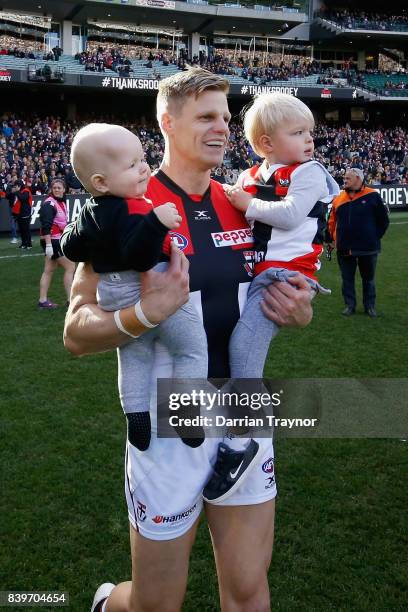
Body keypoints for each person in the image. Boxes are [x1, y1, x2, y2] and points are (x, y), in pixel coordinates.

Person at [63, 68, 313, 612]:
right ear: (166, 122)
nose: (221, 127)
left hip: (246, 412)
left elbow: (283, 289)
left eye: (225, 116)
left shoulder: (246, 201)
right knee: (157, 603)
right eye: (205, 116)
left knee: (248, 591)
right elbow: (76, 332)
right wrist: (143, 313)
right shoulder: (129, 206)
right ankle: (111, 604)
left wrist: (297, 309)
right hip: (169, 418)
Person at [203, 92, 339, 503]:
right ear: (265, 144)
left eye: (310, 131)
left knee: (244, 350)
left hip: (284, 275)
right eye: (298, 132)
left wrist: (248, 202)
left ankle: (242, 439)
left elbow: (292, 215)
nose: (310, 140)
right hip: (257, 273)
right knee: (236, 347)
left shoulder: (309, 171)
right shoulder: (251, 175)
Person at [61, 123, 207, 450]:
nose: (144, 168)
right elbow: (139, 258)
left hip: (112, 296)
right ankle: (186, 413)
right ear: (101, 181)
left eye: (143, 158)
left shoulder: (91, 210)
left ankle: (137, 417)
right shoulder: (135, 207)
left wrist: (82, 228)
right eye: (132, 164)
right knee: (192, 348)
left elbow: (71, 248)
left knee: (133, 357)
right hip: (150, 290)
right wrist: (155, 222)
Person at [327, 167, 389, 317]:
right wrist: (331, 239)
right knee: (347, 279)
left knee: (368, 280)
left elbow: (383, 221)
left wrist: (374, 237)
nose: (344, 180)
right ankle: (350, 305)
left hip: (368, 248)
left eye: (348, 178)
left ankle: (370, 306)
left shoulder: (373, 195)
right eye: (345, 178)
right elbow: (332, 221)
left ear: (358, 179)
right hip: (344, 247)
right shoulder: (339, 198)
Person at [38, 179, 75, 309]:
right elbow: (46, 226)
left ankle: (42, 301)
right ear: (51, 189)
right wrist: (48, 245)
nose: (57, 190)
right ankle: (70, 300)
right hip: (52, 241)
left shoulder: (60, 203)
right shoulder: (50, 204)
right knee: (70, 267)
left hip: (54, 240)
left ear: (64, 189)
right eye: (55, 188)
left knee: (48, 270)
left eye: (59, 188)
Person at [11, 179, 32, 249]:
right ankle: (23, 243)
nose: (15, 187)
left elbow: (23, 199)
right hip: (20, 213)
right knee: (21, 230)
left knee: (26, 229)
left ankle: (29, 244)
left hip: (26, 213)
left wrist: (17, 192)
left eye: (16, 186)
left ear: (19, 186)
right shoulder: (20, 191)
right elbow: (8, 195)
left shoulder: (26, 191)